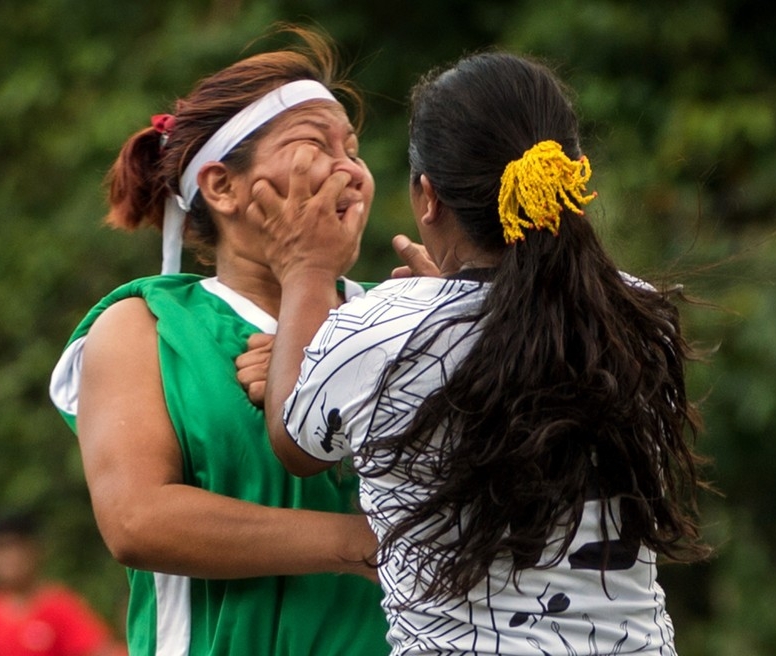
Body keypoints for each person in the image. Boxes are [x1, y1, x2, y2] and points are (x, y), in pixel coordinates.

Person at [256, 51, 712, 655]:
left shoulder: (380, 334)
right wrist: (435, 312)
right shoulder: (639, 317)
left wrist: (305, 268)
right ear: (570, 177)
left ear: (428, 198)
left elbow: (295, 438)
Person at [48, 25, 390, 656]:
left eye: (353, 147)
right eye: (315, 145)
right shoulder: (144, 326)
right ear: (222, 187)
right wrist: (360, 541)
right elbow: (137, 520)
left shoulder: (395, 315)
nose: (348, 168)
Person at [0, 510, 125, 656]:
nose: (6, 559)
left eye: (12, 547)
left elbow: (102, 650)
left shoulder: (58, 605)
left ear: (34, 550)